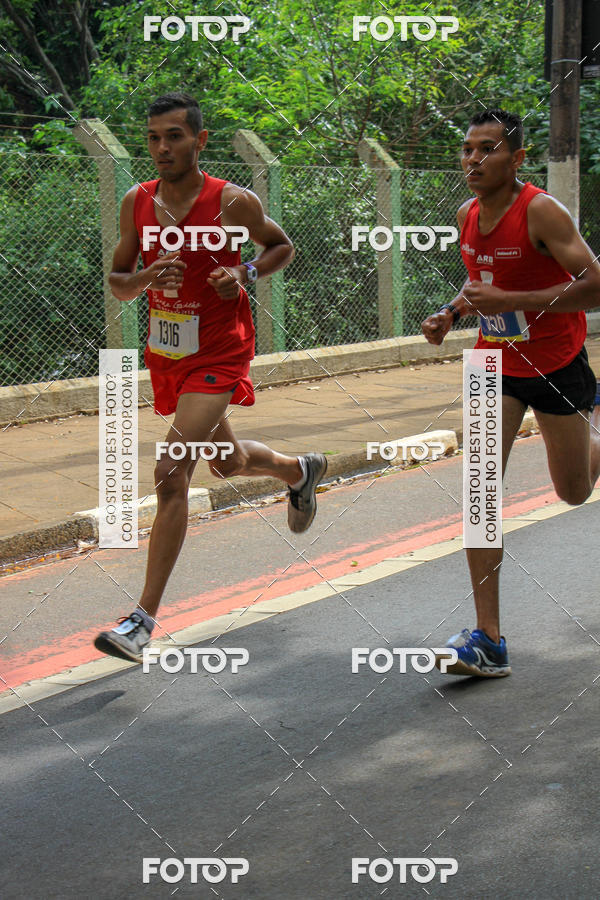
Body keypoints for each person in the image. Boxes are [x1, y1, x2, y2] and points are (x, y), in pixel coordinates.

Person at [94, 92, 327, 662]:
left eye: (174, 136)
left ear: (199, 141)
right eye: (153, 137)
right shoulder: (137, 202)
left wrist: (243, 271)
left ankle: (142, 620)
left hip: (221, 352)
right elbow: (119, 283)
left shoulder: (232, 202)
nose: (162, 147)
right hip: (169, 355)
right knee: (227, 463)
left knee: (172, 472)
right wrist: (149, 274)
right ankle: (300, 470)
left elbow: (280, 247)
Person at [422, 107, 600, 677]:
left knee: (573, 491)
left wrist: (518, 304)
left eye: (487, 149)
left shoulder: (541, 211)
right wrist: (451, 313)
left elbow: (594, 284)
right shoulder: (466, 215)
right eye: (468, 149)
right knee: (479, 491)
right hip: (493, 364)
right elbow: (482, 286)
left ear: (516, 158)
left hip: (555, 363)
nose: (473, 159)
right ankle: (489, 639)